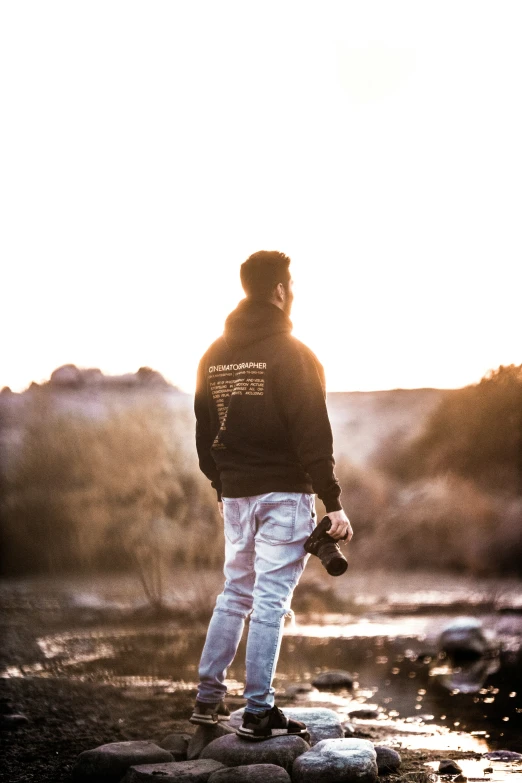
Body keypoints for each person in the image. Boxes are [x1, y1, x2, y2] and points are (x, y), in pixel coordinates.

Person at [190, 250, 353, 741]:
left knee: (235, 591)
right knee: (270, 599)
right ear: (280, 290)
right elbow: (313, 434)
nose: (293, 294)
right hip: (284, 494)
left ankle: (207, 700)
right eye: (292, 286)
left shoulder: (212, 355)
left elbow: (204, 435)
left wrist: (223, 485)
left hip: (236, 496)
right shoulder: (294, 354)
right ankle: (258, 711)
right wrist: (333, 501)